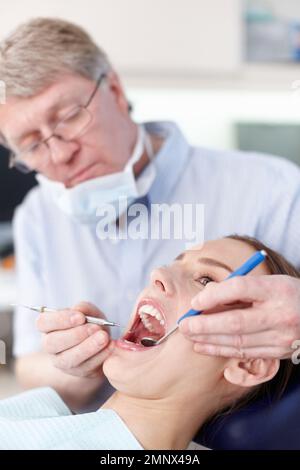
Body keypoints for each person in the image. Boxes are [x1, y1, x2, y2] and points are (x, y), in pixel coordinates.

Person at [0, 18, 300, 411]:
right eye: (32, 144)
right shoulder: (38, 217)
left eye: (68, 118)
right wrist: (73, 369)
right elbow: (28, 364)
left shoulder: (275, 190)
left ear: (115, 90)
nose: (59, 154)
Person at [0, 235, 297, 450]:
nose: (158, 273)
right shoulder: (36, 416)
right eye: (173, 264)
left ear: (248, 364)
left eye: (206, 280)